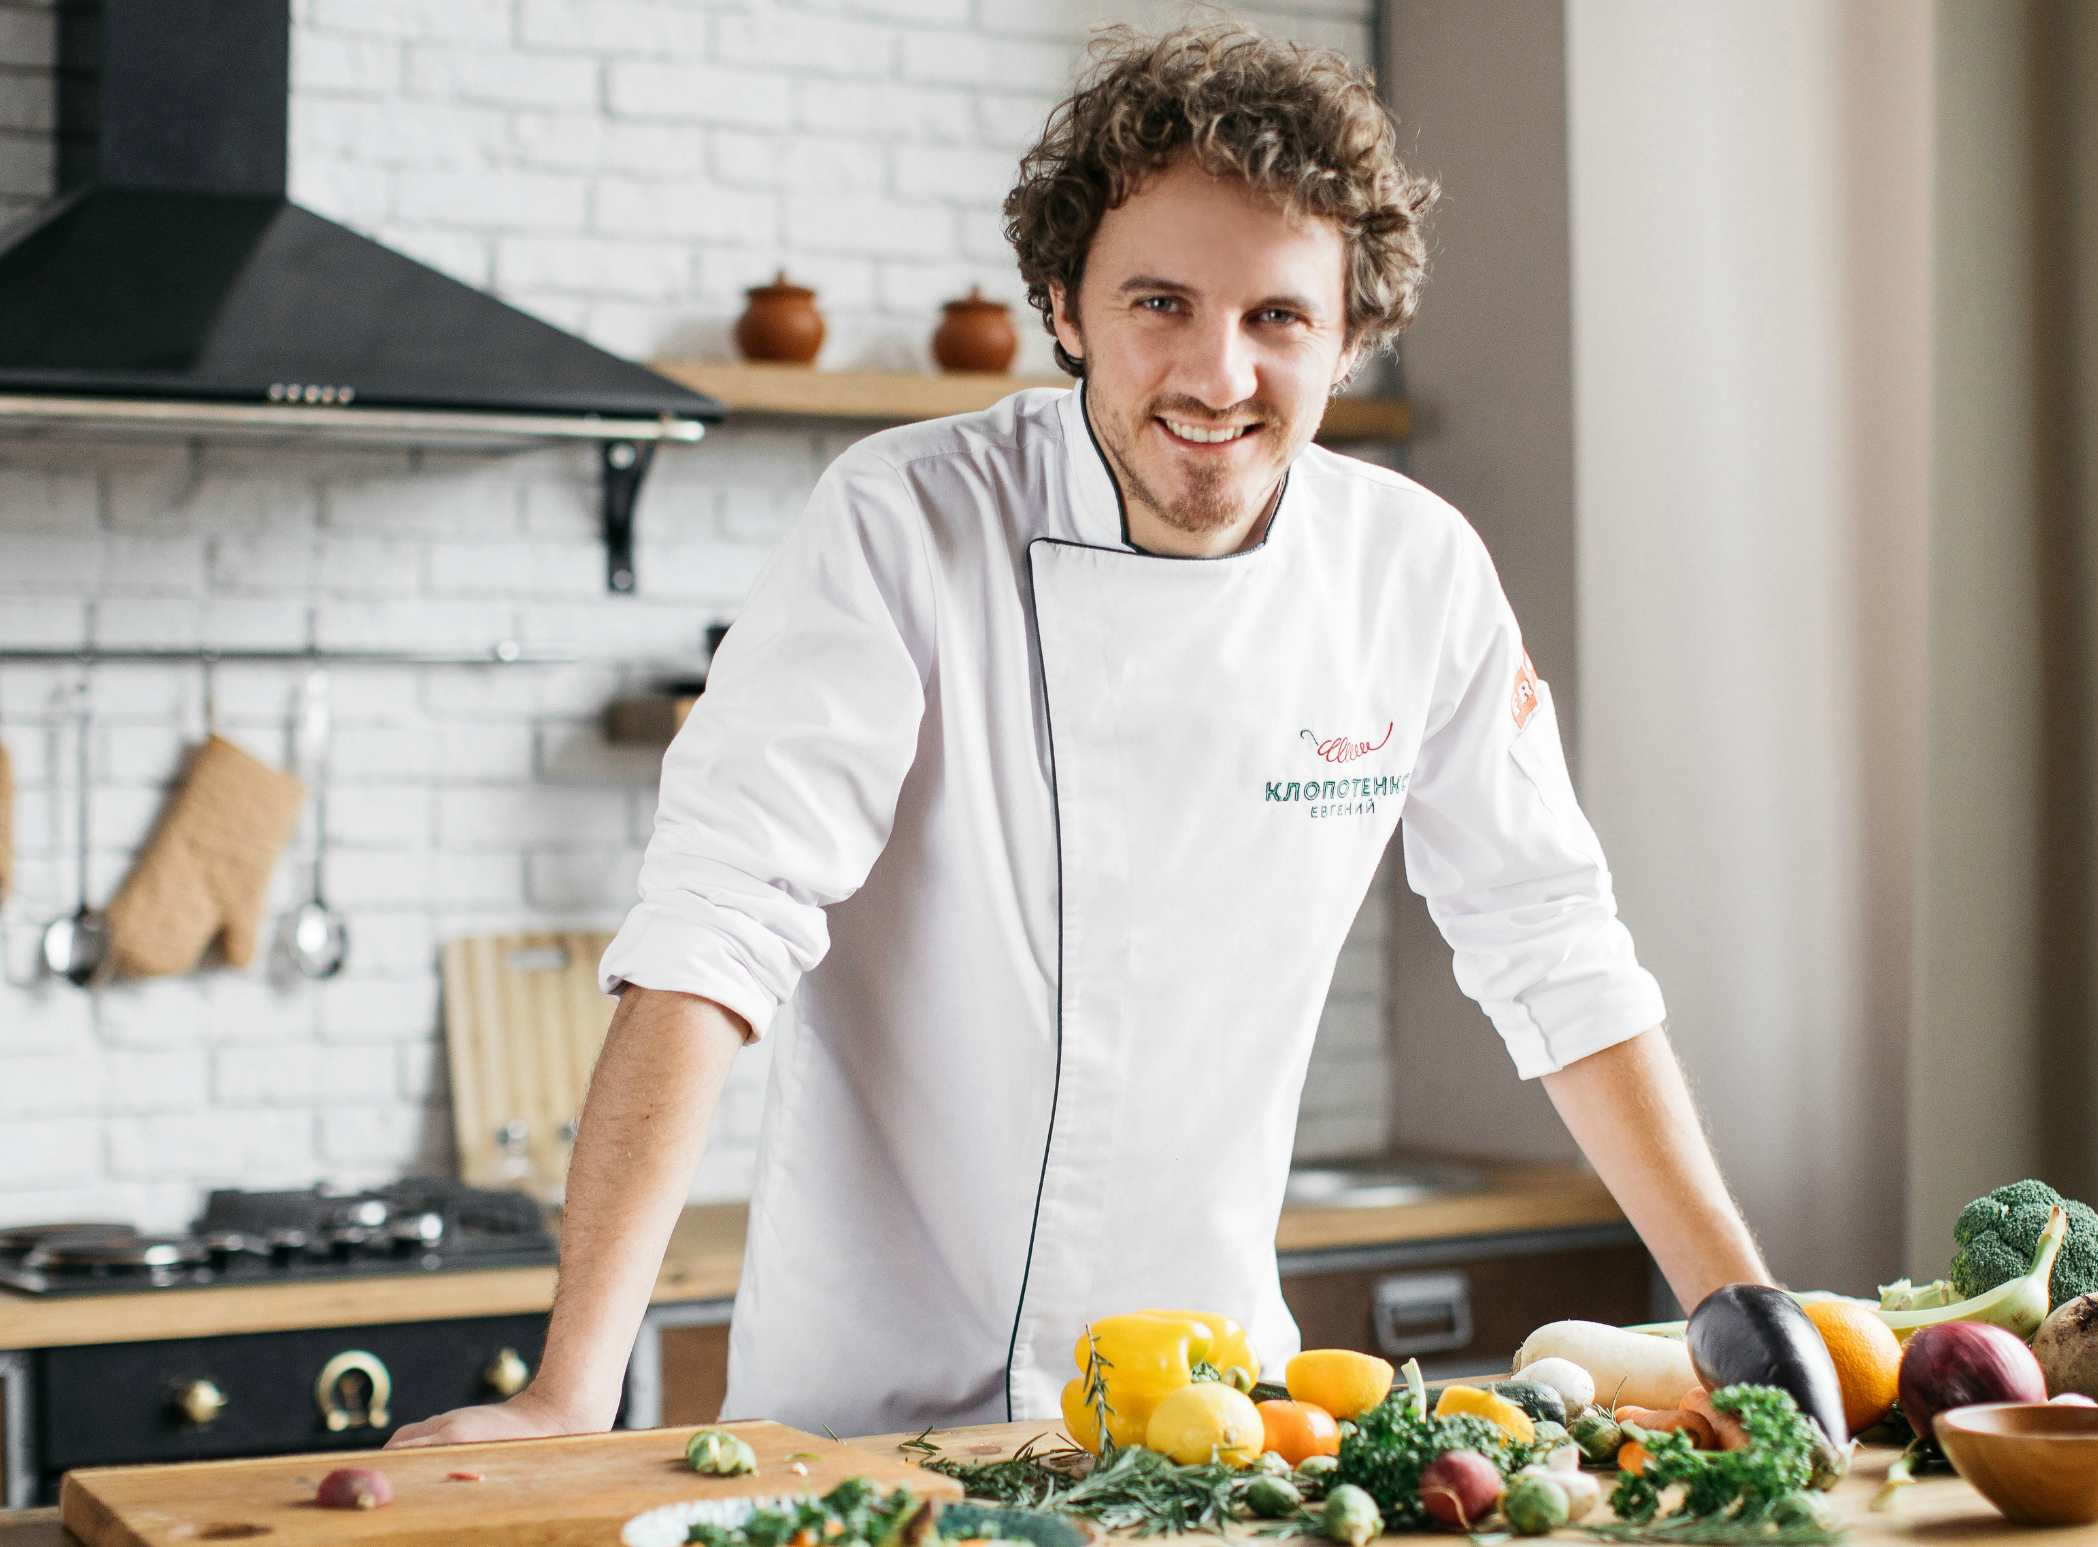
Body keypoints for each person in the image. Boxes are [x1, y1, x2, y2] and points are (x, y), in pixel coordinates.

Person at [391, 21, 1767, 1450]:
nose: (1218, 375)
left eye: (1278, 318)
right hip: (872, 1433)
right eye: (1160, 303)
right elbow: (714, 930)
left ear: (1353, 336)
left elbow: (1551, 942)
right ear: (1064, 305)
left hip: (1213, 1431)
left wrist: (1748, 1320)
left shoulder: (1414, 575)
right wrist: (568, 1393)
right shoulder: (906, 521)